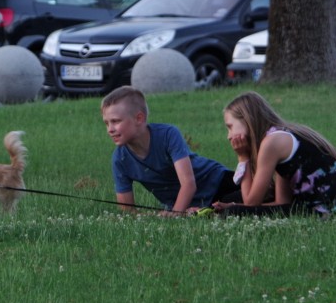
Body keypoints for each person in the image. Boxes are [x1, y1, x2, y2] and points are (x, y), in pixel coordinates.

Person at [213, 91, 336, 217]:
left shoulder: (271, 142)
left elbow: (251, 203)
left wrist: (243, 158)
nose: (229, 136)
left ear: (247, 120)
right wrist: (235, 205)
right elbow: (282, 201)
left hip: (326, 209)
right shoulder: (279, 135)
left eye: (230, 127)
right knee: (231, 201)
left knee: (233, 211)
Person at [102, 86, 238, 216]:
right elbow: (127, 211)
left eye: (116, 121)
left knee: (243, 204)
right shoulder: (120, 160)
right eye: (107, 123)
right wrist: (156, 215)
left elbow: (189, 184)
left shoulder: (168, 135)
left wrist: (175, 214)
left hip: (218, 182)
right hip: (191, 206)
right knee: (222, 213)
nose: (110, 129)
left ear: (139, 118)